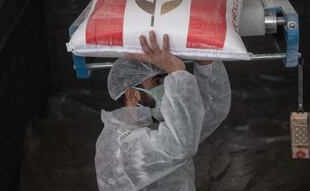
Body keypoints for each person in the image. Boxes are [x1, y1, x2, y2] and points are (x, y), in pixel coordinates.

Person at [95, 31, 231, 190]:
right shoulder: (121, 147)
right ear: (133, 94)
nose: (168, 87)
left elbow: (212, 110)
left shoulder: (153, 127)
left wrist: (206, 61)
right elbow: (180, 144)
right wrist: (177, 72)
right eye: (158, 81)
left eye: (168, 79)